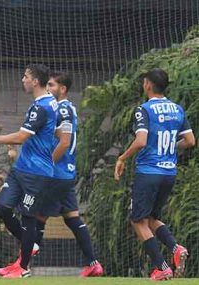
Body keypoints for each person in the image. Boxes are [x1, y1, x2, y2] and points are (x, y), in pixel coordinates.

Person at [0, 64, 56, 278]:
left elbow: (21, 137)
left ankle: (23, 268)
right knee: (3, 208)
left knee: (28, 217)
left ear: (35, 81)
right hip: (21, 169)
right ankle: (30, 247)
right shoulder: (44, 103)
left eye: (26, 77)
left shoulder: (43, 106)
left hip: (37, 173)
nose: (22, 80)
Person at [114, 68, 195, 281]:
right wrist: (168, 149)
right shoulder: (177, 109)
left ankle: (162, 267)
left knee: (137, 220)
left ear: (148, 84)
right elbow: (190, 141)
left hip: (149, 171)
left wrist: (122, 157)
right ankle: (176, 248)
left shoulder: (144, 109)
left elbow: (141, 141)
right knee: (151, 218)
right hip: (169, 172)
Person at [39, 71, 103, 277]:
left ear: (63, 89)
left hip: (57, 172)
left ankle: (21, 266)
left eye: (51, 85)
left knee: (37, 216)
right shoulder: (67, 109)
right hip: (66, 172)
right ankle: (93, 263)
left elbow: (64, 143)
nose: (48, 88)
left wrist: (45, 165)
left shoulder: (63, 110)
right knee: (72, 218)